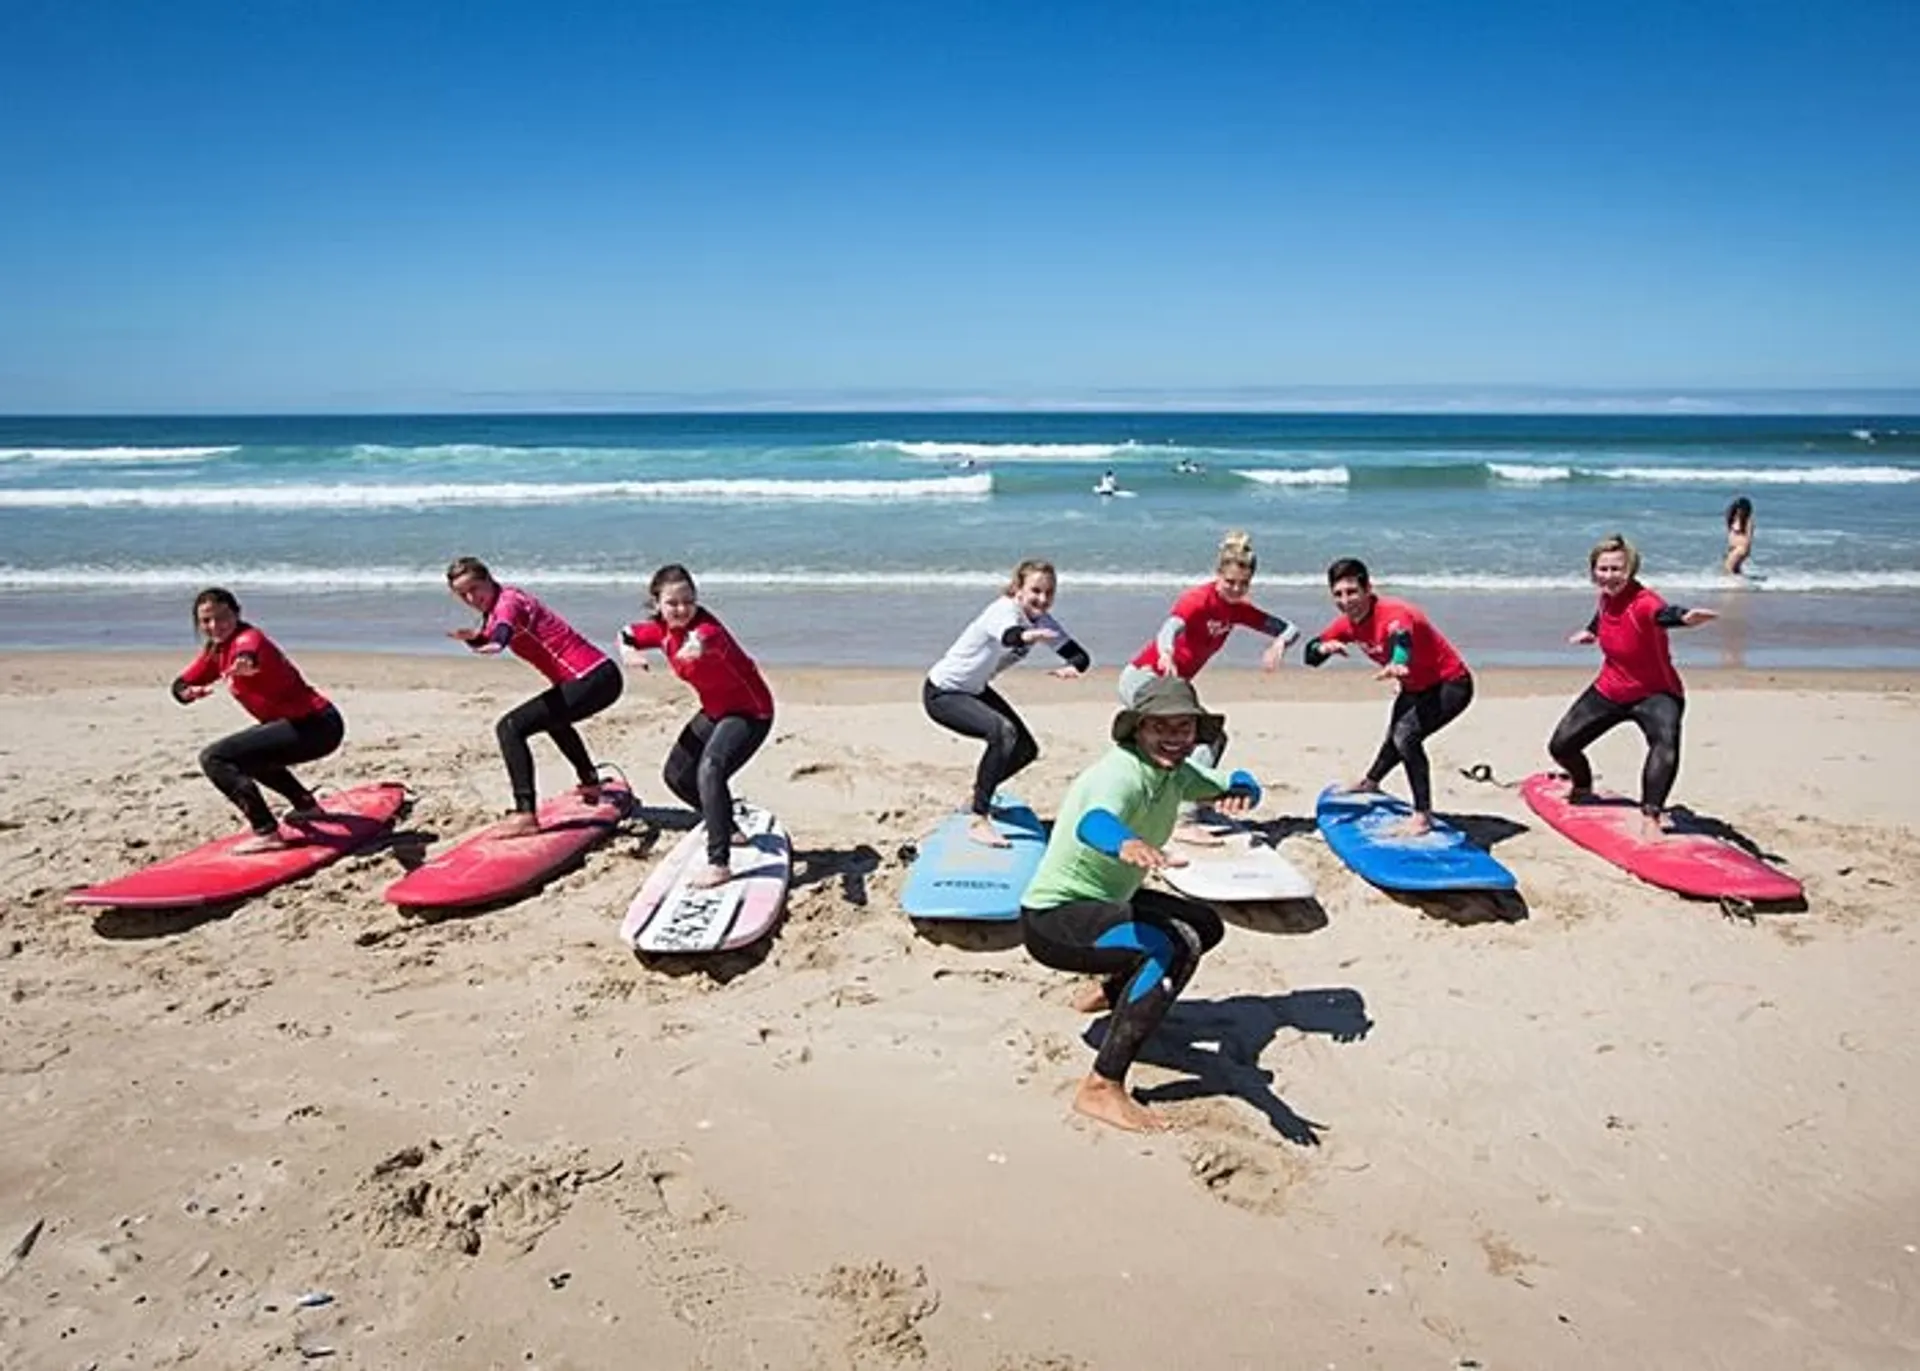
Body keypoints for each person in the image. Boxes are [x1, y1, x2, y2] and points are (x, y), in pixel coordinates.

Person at [1019, 676, 1262, 1133]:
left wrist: (1244, 788)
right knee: (1175, 945)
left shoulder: (1175, 771)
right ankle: (1101, 1086)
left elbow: (1229, 780)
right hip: (1056, 920)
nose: (1174, 736)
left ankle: (1111, 993)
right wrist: (1125, 842)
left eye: (1185, 727)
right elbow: (1095, 821)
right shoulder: (1122, 773)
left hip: (1108, 902)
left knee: (1205, 924)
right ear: (1138, 730)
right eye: (1160, 726)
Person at [1120, 531, 1297, 839]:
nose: (1236, 589)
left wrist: (1280, 644)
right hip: (1146, 678)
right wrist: (1166, 652)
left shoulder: (1239, 609)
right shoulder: (1197, 600)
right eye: (1230, 582)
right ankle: (1185, 817)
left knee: (1205, 738)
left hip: (1171, 687)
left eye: (1243, 584)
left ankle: (1171, 803)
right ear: (1218, 575)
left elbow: (1290, 628)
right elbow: (1170, 628)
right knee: (1198, 738)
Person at [1548, 534, 1717, 838]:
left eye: (1617, 570)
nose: (1609, 576)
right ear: (1593, 571)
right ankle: (1583, 785)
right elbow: (1604, 614)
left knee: (1665, 746)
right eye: (1603, 569)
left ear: (1630, 571)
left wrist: (1684, 618)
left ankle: (1651, 815)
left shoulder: (1645, 602)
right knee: (1561, 746)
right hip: (1610, 689)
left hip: (1656, 693)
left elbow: (1662, 614)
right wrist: (1591, 632)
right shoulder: (1606, 595)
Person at [621, 565, 776, 889]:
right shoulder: (662, 630)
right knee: (676, 776)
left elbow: (702, 640)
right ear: (657, 604)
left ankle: (719, 863)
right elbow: (627, 633)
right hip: (715, 710)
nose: (681, 609)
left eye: (688, 601)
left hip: (750, 712)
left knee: (710, 769)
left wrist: (694, 648)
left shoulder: (707, 630)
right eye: (672, 603)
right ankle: (727, 825)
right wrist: (628, 652)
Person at [446, 556, 622, 836]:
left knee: (510, 728)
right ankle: (590, 781)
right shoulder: (497, 608)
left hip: (591, 679)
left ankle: (525, 814)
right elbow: (491, 634)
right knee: (553, 718)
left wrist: (495, 643)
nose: (471, 597)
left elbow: (503, 630)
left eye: (475, 588)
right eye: (462, 594)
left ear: (489, 579)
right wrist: (474, 638)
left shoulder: (508, 602)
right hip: (598, 676)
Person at [923, 559, 1091, 847]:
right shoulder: (1001, 611)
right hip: (943, 692)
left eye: (1049, 593)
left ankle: (977, 797)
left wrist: (1074, 667)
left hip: (974, 690)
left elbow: (1079, 655)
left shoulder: (1041, 621)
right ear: (1018, 589)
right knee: (1003, 733)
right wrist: (1027, 636)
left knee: (1025, 749)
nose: (1042, 599)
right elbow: (1010, 636)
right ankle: (979, 819)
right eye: (1036, 591)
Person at [1303, 558, 1473, 836]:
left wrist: (1397, 661)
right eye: (1338, 594)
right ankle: (1371, 783)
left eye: (1352, 592)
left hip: (1451, 684)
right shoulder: (1348, 624)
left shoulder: (1394, 613)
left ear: (1368, 588)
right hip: (1415, 687)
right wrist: (1322, 649)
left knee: (1407, 737)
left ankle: (1422, 815)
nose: (1346, 601)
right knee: (1395, 735)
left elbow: (1401, 638)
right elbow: (1310, 655)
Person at [171, 588, 345, 853]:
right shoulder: (217, 652)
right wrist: (187, 693)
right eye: (206, 621)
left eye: (222, 617)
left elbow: (250, 652)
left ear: (237, 613)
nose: (215, 626)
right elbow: (181, 683)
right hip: (298, 726)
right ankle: (306, 806)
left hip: (317, 725)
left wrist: (246, 663)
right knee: (248, 755)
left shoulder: (249, 639)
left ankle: (266, 831)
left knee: (215, 758)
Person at [1724, 496, 1755, 576]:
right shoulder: (1734, 518)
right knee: (1735, 569)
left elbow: (1749, 536)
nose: (1738, 510)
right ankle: (1742, 584)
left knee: (1728, 568)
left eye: (1739, 508)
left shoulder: (1748, 520)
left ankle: (1730, 585)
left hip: (1741, 548)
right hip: (1734, 548)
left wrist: (1747, 550)